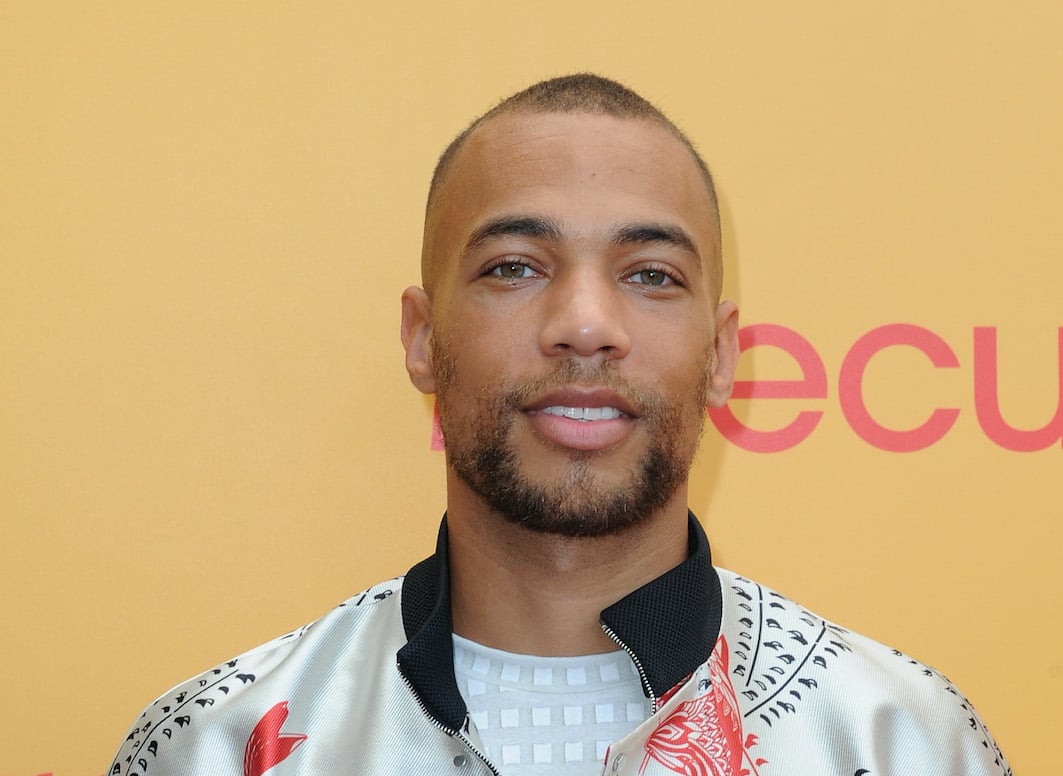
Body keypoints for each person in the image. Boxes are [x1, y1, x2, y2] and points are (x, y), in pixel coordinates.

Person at [109, 74, 1011, 776]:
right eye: (515, 266)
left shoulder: (903, 744)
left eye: (651, 274)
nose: (586, 322)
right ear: (422, 339)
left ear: (723, 353)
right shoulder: (217, 748)